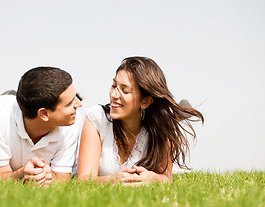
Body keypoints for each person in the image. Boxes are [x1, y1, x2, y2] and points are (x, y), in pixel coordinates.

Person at [77, 56, 204, 185]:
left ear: (145, 101)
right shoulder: (96, 118)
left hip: (152, 119)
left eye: (125, 90)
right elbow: (84, 178)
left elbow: (166, 177)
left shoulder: (162, 128)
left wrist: (152, 178)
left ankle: (175, 115)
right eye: (114, 85)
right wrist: (113, 179)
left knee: (166, 119)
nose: (114, 95)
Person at [0, 67, 83, 185]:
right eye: (69, 103)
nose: (79, 104)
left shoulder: (72, 121)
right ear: (44, 114)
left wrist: (49, 177)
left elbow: (61, 179)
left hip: (14, 125)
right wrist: (22, 174)